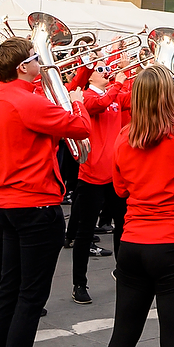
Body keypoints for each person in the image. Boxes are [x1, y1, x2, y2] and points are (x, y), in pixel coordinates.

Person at [0, 36, 91, 347]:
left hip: (11, 204)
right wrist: (76, 100)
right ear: (23, 67)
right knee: (29, 300)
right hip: (38, 205)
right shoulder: (28, 102)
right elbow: (81, 128)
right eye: (34, 57)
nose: (40, 61)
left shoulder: (2, 99)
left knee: (8, 293)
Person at [103, 67, 174, 347]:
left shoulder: (124, 137)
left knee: (122, 337)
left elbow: (121, 189)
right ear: (169, 97)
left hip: (133, 243)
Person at [71, 63, 129, 304]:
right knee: (85, 233)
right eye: (100, 69)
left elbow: (137, 95)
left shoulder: (114, 94)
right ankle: (79, 283)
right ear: (90, 76)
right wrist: (117, 82)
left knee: (122, 228)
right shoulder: (85, 96)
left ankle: (124, 273)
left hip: (115, 174)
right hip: (92, 175)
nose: (106, 72)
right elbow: (98, 104)